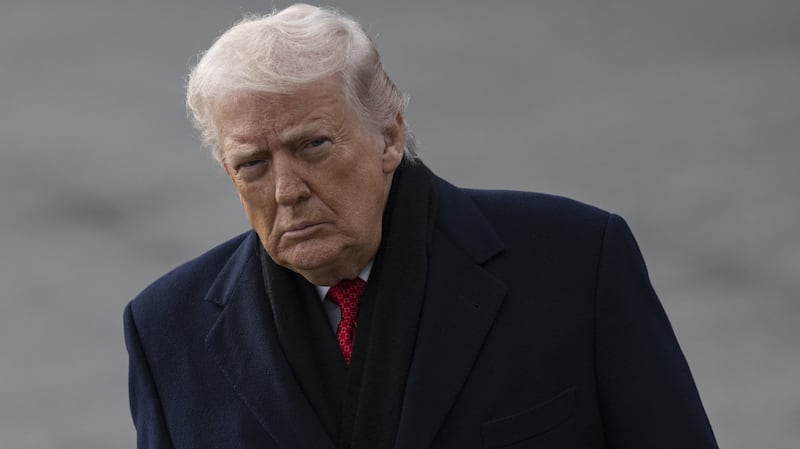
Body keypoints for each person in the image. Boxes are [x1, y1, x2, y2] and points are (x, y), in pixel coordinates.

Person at [123, 4, 719, 449]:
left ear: (389, 135)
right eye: (252, 164)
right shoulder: (166, 332)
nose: (286, 189)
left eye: (313, 146)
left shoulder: (575, 264)